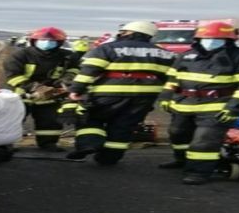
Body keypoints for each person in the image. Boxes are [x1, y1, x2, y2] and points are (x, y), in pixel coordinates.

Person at [156, 21, 239, 184]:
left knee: (204, 141)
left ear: (229, 40)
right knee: (177, 133)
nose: (210, 41)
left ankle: (198, 172)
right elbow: (172, 79)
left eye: (217, 38)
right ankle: (182, 160)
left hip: (217, 106)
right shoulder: (187, 55)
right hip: (183, 104)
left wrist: (234, 109)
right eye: (205, 38)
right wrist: (165, 97)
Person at [64, 20, 176, 166]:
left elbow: (89, 70)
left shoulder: (108, 48)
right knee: (124, 126)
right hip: (145, 96)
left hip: (108, 93)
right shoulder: (165, 53)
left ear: (132, 33)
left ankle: (89, 144)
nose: (121, 34)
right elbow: (171, 77)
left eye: (124, 32)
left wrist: (76, 89)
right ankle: (109, 158)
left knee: (91, 118)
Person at [2, 26, 78, 151]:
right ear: (33, 41)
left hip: (51, 94)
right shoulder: (21, 55)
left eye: (52, 41)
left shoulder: (67, 56)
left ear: (59, 43)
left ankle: (48, 143)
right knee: (14, 120)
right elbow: (12, 75)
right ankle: (6, 144)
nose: (47, 43)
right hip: (23, 94)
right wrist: (35, 87)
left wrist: (67, 80)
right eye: (43, 40)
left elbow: (75, 69)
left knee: (50, 120)